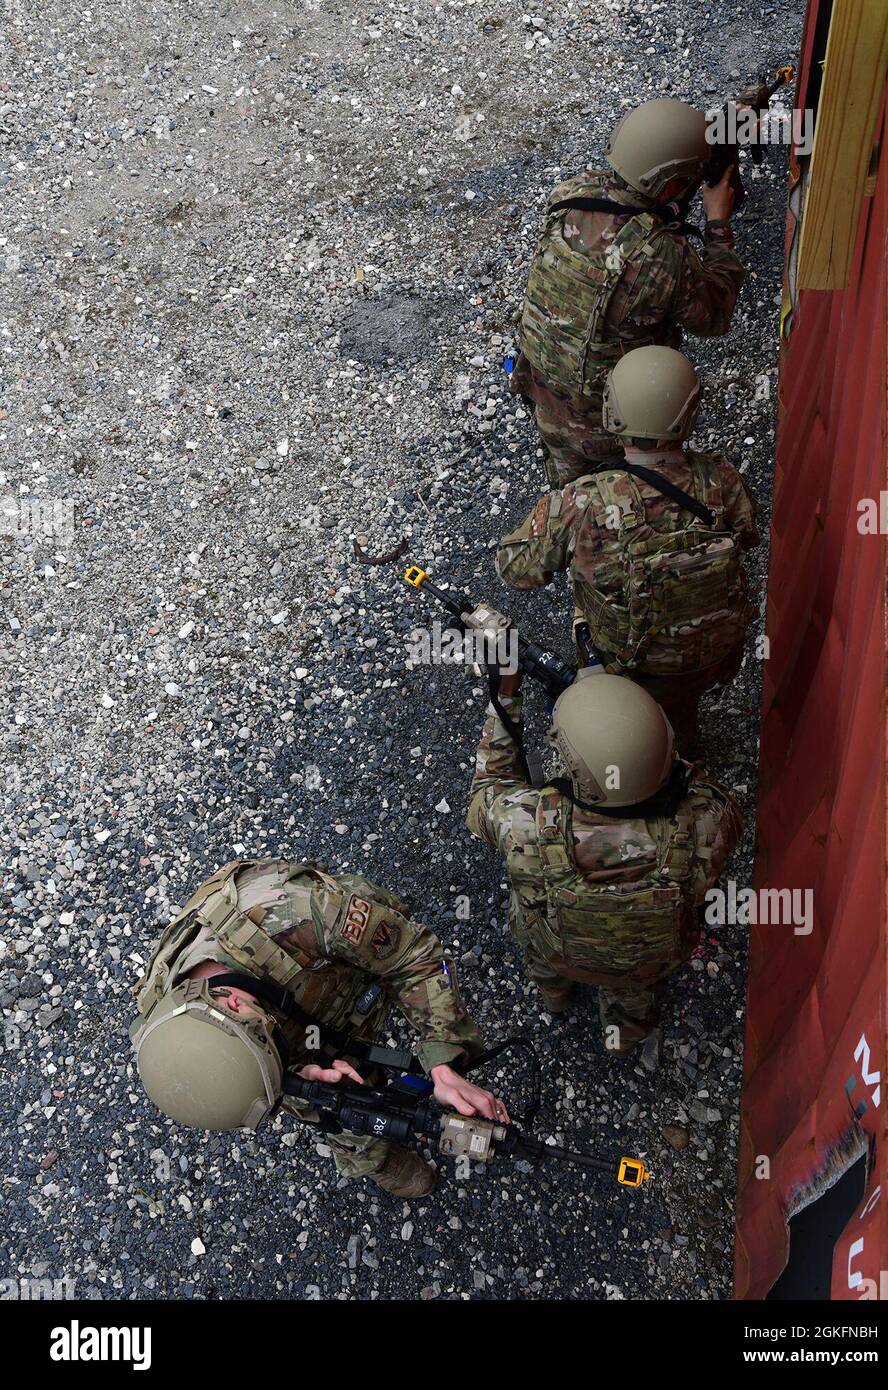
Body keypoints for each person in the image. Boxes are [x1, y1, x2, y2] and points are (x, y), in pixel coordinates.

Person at [130, 857, 509, 1198]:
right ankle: (371, 1158)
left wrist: (443, 1060)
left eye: (273, 1047)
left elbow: (415, 955)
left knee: (387, 941)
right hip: (277, 1018)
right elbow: (255, 1074)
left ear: (234, 1002)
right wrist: (299, 1077)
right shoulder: (170, 1033)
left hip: (332, 970)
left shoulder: (300, 913)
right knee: (333, 1106)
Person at [496, 346, 759, 756]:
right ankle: (683, 751)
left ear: (610, 412)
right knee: (679, 720)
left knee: (622, 746)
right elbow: (746, 536)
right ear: (689, 413)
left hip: (630, 670)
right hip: (710, 658)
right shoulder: (720, 478)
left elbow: (514, 569)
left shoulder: (584, 502)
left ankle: (629, 764)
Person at [466, 668, 742, 1054]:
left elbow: (487, 787)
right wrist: (648, 756)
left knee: (533, 930)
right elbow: (704, 786)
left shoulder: (521, 825)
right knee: (633, 991)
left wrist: (506, 689)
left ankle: (555, 997)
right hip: (646, 959)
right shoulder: (707, 824)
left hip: (558, 949)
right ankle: (623, 1038)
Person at [511, 98, 744, 484]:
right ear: (671, 183)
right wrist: (718, 224)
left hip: (542, 394)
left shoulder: (569, 194)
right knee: (626, 507)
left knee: (570, 498)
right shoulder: (662, 256)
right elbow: (715, 316)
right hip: (616, 425)